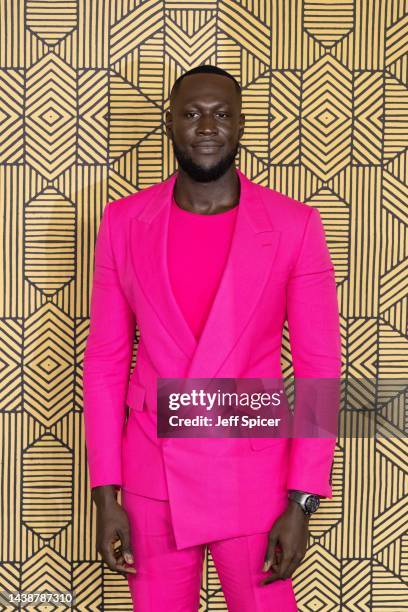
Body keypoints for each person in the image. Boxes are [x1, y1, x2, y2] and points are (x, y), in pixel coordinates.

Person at [83, 64, 342, 611]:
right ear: (170, 123)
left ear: (241, 125)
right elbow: (106, 365)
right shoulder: (124, 222)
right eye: (192, 114)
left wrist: (302, 501)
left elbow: (320, 371)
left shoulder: (295, 225)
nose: (207, 126)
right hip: (153, 479)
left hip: (254, 479)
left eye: (222, 114)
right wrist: (107, 496)